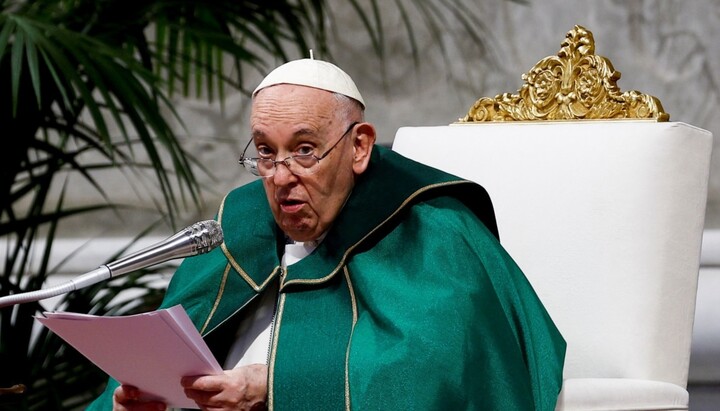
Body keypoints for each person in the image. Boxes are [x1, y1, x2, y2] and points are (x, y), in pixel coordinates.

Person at [87, 58, 565, 411]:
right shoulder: (234, 225)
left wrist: (272, 386)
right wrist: (134, 401)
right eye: (265, 153)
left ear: (359, 146)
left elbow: (441, 371)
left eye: (305, 149)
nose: (280, 176)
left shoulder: (431, 229)